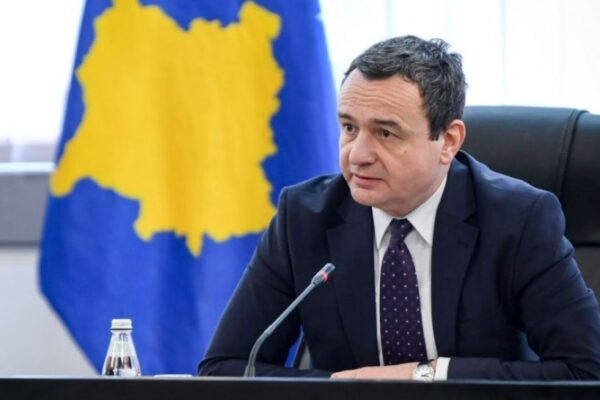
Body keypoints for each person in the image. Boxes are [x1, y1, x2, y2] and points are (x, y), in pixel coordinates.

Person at [198, 35, 600, 380]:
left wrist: (425, 375)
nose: (357, 155)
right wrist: (346, 388)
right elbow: (226, 367)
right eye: (349, 127)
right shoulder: (303, 218)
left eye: (386, 133)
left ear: (448, 141)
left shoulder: (518, 219)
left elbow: (586, 369)